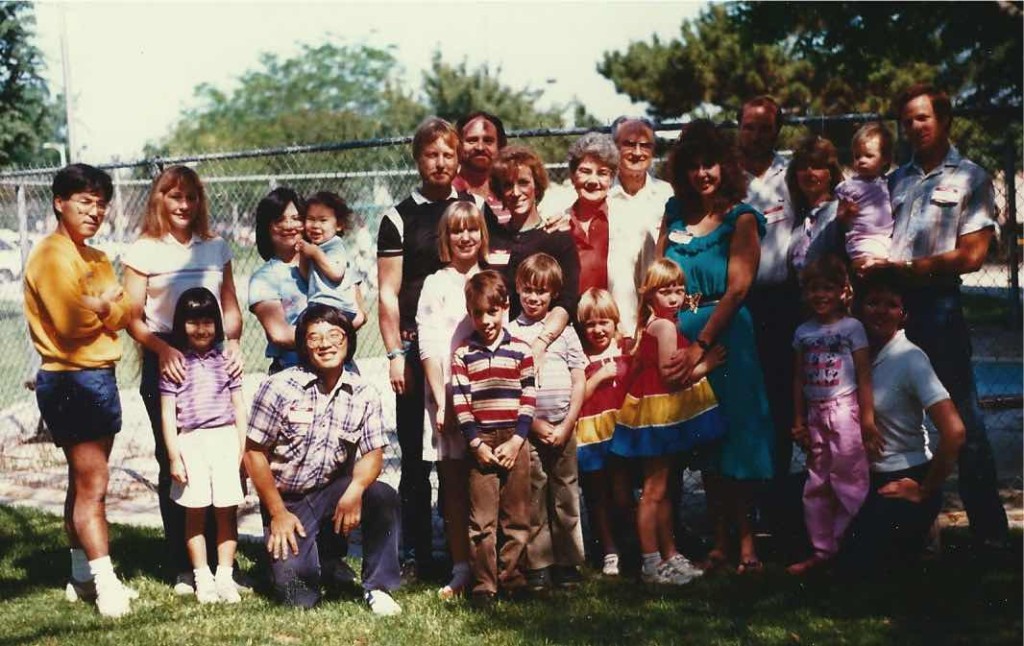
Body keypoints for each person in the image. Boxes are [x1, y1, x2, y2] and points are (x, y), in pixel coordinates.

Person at [859, 84, 1008, 547]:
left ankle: (989, 531)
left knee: (960, 416)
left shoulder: (971, 177)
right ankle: (895, 524)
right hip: (888, 309)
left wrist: (908, 269)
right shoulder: (893, 180)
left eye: (923, 118)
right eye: (906, 121)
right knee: (883, 415)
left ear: (945, 121)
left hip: (937, 305)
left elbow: (973, 254)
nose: (914, 127)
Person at [123, 165, 244, 593]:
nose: (183, 206)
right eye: (175, 197)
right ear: (159, 200)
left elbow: (230, 307)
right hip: (168, 358)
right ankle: (184, 565)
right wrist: (163, 350)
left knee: (220, 458)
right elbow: (132, 318)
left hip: (212, 360)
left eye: (191, 198)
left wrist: (231, 341)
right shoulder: (144, 250)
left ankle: (220, 564)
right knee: (177, 462)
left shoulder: (214, 247)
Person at [660, 120, 774, 574]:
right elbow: (659, 277)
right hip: (681, 334)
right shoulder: (673, 214)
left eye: (710, 163)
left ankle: (748, 544)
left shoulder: (740, 217)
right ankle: (721, 541)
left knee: (737, 440)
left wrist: (702, 347)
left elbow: (738, 289)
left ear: (724, 166)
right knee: (706, 442)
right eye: (693, 165)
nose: (702, 173)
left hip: (727, 340)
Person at [24, 164, 137, 617]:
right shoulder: (51, 255)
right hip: (70, 378)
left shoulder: (95, 257)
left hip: (99, 376)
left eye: (100, 204)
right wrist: (104, 305)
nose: (94, 212)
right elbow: (70, 326)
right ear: (60, 202)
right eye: (84, 202)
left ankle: (80, 576)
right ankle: (106, 584)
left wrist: (102, 304)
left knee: (83, 481)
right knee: (95, 485)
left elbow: (126, 309)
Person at [243, 304, 402, 614]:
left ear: (348, 340)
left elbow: (373, 453)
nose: (325, 344)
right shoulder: (278, 387)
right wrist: (276, 512)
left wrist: (355, 490)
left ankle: (378, 588)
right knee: (297, 597)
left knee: (382, 496)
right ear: (303, 345)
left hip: (334, 491)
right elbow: (253, 454)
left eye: (334, 335)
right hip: (288, 501)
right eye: (314, 338)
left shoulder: (363, 392)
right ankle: (290, 562)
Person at [377, 116, 470, 577]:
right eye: (431, 154)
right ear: (418, 159)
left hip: (470, 347)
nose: (440, 162)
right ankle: (416, 552)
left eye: (448, 154)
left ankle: (465, 549)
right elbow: (387, 293)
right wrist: (395, 354)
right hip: (416, 349)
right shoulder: (398, 217)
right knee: (415, 456)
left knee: (464, 448)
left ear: (459, 158)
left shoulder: (472, 208)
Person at [838, 269, 966, 571]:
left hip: (901, 478)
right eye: (873, 302)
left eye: (891, 304)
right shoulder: (853, 353)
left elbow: (955, 432)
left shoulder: (910, 359)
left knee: (859, 565)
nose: (881, 311)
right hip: (857, 476)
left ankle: (922, 531)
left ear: (904, 314)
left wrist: (924, 489)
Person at [612, 258, 725, 585]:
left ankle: (669, 554)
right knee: (653, 491)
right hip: (658, 417)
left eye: (678, 290)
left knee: (662, 489)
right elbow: (670, 376)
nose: (674, 298)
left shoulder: (660, 322)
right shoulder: (662, 326)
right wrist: (708, 364)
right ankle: (651, 562)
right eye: (666, 292)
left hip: (663, 415)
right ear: (650, 295)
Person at [787, 257, 880, 575]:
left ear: (844, 291)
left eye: (828, 288)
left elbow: (865, 375)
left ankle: (852, 545)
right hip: (816, 416)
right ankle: (823, 551)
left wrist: (867, 420)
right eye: (814, 289)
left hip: (845, 414)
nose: (821, 295)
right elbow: (799, 378)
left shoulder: (852, 328)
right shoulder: (803, 331)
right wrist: (798, 419)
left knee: (850, 480)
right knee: (818, 484)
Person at [415, 200, 489, 599]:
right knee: (456, 483)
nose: (465, 237)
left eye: (472, 229)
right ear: (446, 237)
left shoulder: (492, 278)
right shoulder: (436, 284)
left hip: (491, 395)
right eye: (457, 230)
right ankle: (462, 568)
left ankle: (492, 564)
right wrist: (443, 401)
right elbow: (428, 345)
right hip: (448, 395)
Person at [450, 270, 536, 604]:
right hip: (482, 442)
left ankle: (513, 578)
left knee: (516, 516)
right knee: (482, 520)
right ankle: (484, 584)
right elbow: (461, 401)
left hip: (515, 439)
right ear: (470, 313)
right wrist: (476, 444)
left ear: (505, 307)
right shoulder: (463, 354)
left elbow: (529, 398)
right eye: (478, 313)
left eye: (493, 311)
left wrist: (517, 441)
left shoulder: (521, 350)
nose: (486, 320)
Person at [159, 287, 247, 603]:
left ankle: (224, 575)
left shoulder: (227, 360)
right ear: (181, 324)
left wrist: (242, 450)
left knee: (226, 511)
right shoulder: (174, 363)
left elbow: (239, 407)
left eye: (208, 321)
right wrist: (174, 457)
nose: (201, 329)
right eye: (193, 322)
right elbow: (168, 415)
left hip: (225, 439)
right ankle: (202, 577)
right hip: (191, 443)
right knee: (194, 513)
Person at [507, 254, 587, 591]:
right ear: (517, 289)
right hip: (531, 428)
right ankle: (539, 563)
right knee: (534, 495)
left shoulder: (565, 332)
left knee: (565, 493)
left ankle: (568, 562)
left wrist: (568, 423)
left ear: (553, 293)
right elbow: (511, 388)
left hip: (564, 425)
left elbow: (579, 377)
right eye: (528, 290)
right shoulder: (510, 333)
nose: (534, 298)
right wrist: (535, 424)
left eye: (541, 291)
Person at [738, 96, 800, 484]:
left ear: (777, 131)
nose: (757, 135)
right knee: (745, 404)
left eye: (765, 127)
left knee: (781, 401)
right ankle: (746, 498)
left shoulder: (792, 175)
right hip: (739, 303)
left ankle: (776, 493)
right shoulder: (726, 177)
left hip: (783, 302)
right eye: (749, 126)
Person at [486, 145, 582, 368]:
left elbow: (568, 301)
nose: (516, 192)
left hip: (547, 347)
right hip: (500, 348)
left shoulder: (557, 238)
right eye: (507, 185)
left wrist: (540, 344)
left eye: (523, 183)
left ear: (536, 187)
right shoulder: (492, 239)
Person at [575, 288, 633, 576]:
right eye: (590, 324)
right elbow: (577, 397)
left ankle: (629, 543)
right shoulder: (581, 357)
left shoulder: (625, 349)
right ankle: (609, 550)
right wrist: (597, 377)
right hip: (590, 433)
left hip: (619, 433)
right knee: (597, 495)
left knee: (622, 493)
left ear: (614, 321)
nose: (597, 330)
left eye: (603, 322)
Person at [608, 116, 676, 336]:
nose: (637, 152)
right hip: (613, 320)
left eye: (645, 145)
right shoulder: (602, 196)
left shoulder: (668, 195)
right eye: (629, 144)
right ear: (614, 148)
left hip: (657, 318)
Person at [249, 187, 308, 373]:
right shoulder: (264, 279)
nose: (289, 226)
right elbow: (280, 334)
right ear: (267, 227)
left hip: (339, 363)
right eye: (279, 220)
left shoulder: (327, 264)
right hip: (293, 367)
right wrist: (329, 337)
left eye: (296, 219)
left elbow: (358, 313)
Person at [296, 191, 366, 328]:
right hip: (322, 306)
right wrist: (304, 257)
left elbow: (336, 273)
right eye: (310, 219)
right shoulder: (317, 247)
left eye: (323, 220)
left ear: (339, 225)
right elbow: (306, 277)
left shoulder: (335, 246)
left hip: (335, 306)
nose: (316, 225)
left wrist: (315, 253)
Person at [561, 132, 618, 294]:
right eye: (585, 171)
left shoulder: (626, 221)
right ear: (572, 176)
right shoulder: (559, 222)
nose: (593, 181)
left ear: (612, 179)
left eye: (602, 173)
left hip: (615, 316)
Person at [786, 135, 846, 275]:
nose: (809, 173)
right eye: (802, 167)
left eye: (817, 166)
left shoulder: (840, 212)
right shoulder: (798, 216)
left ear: (830, 172)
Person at [836, 123, 895, 261]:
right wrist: (846, 212)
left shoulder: (890, 182)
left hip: (886, 239)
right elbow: (840, 217)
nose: (861, 161)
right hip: (862, 240)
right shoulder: (849, 186)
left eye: (869, 156)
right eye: (857, 156)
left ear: (885, 159)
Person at [454, 111, 507, 213]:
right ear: (457, 146)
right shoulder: (447, 193)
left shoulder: (510, 194)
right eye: (472, 140)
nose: (480, 147)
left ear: (500, 146)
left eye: (488, 140)